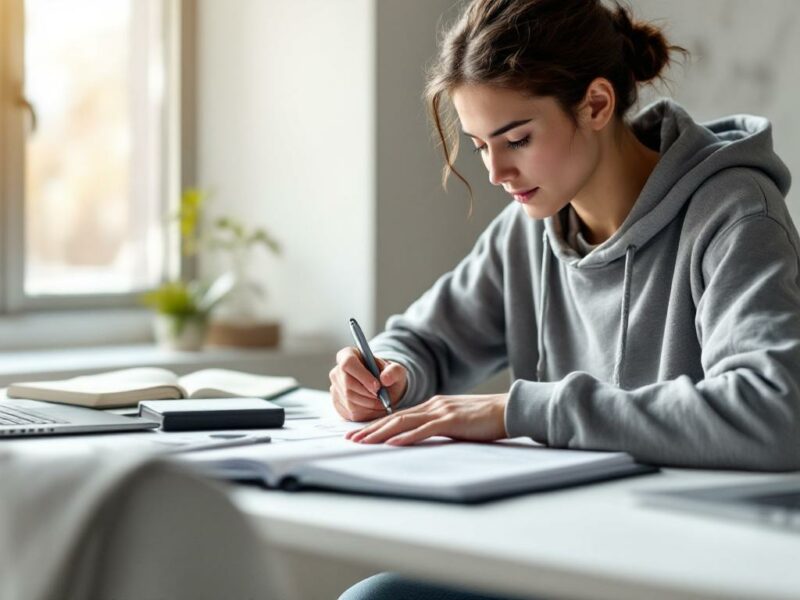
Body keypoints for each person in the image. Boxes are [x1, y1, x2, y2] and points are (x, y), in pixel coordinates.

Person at [333, 0, 799, 596]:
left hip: (685, 572)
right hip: (554, 555)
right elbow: (422, 340)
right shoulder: (527, 232)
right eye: (479, 145)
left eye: (517, 139)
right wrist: (389, 373)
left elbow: (775, 413)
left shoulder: (733, 214)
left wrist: (517, 411)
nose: (497, 171)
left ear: (597, 104)